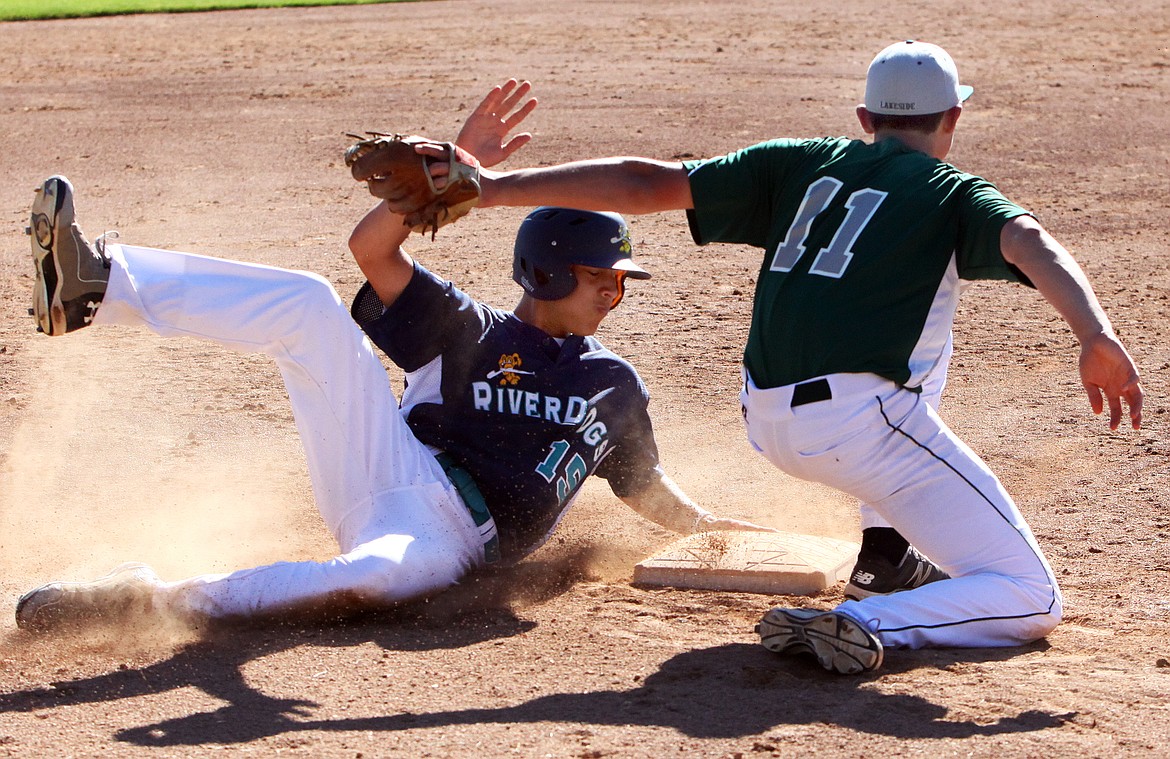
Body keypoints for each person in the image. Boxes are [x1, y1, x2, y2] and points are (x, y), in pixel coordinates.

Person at [407, 42, 1145, 673]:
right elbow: (1032, 244)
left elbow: (642, 182)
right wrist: (1093, 333)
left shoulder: (798, 163)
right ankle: (874, 623)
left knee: (923, 324)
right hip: (866, 430)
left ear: (865, 120)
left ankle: (884, 559)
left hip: (767, 423)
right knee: (1030, 594)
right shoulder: (954, 191)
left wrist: (495, 186)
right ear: (952, 120)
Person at [16, 82, 768, 634]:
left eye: (620, 280)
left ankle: (149, 600)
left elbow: (646, 487)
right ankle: (97, 283)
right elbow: (370, 250)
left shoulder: (613, 384)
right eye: (601, 276)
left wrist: (716, 531)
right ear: (547, 272)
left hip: (447, 542)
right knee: (307, 303)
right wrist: (459, 166)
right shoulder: (468, 328)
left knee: (386, 575)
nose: (615, 292)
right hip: (394, 468)